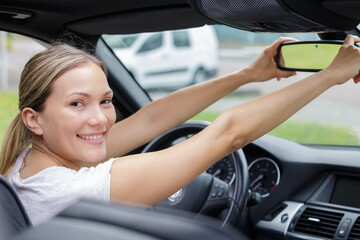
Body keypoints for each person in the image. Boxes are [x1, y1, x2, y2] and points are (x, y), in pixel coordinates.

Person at [1, 35, 360, 226]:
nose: (99, 119)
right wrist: (331, 76)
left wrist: (248, 75)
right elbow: (229, 134)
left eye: (106, 101)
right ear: (35, 119)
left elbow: (149, 121)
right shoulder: (68, 191)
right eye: (77, 104)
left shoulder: (29, 163)